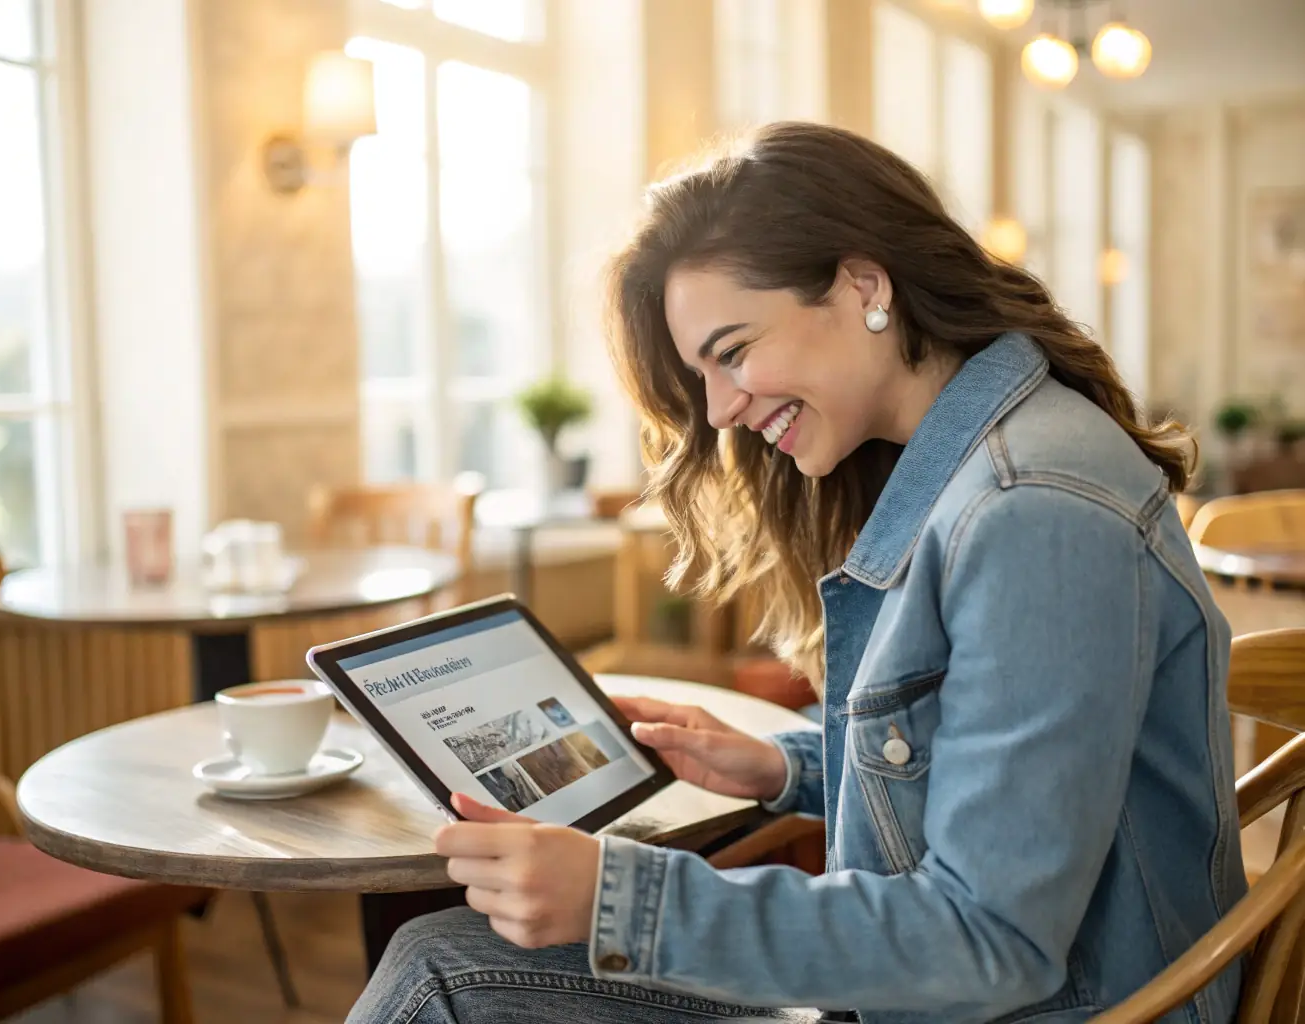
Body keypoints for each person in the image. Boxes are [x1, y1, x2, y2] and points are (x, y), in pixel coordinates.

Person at [348, 123, 1246, 1024]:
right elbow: (1000, 768)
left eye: (731, 352)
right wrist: (786, 765)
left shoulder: (1027, 511)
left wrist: (619, 900)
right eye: (702, 374)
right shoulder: (986, 465)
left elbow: (988, 942)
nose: (719, 410)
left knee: (441, 976)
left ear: (863, 286)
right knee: (441, 957)